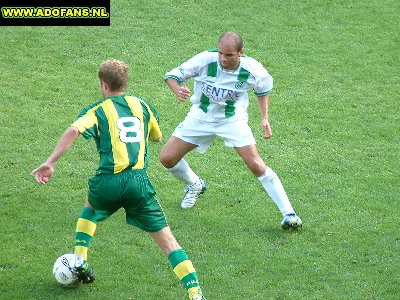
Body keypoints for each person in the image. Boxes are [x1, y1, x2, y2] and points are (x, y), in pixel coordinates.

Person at [31, 59, 206, 300]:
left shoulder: (97, 110)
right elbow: (157, 136)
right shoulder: (142, 105)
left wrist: (51, 162)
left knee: (90, 209)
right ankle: (195, 293)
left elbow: (74, 130)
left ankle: (80, 259)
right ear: (125, 82)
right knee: (168, 242)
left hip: (108, 182)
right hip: (138, 183)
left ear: (103, 84)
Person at [159, 32, 302, 230]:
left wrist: (265, 118)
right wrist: (177, 89)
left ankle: (289, 214)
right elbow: (172, 76)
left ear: (240, 53)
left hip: (232, 120)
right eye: (221, 54)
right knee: (167, 158)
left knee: (256, 164)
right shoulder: (204, 60)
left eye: (229, 55)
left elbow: (263, 88)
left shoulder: (253, 69)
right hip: (200, 117)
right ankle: (194, 184)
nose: (223, 59)